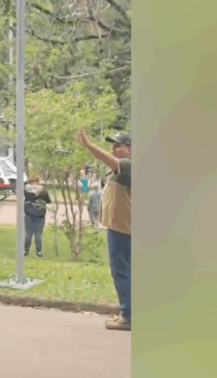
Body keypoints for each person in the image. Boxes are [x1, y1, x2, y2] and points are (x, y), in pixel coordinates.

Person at [78, 128, 131, 331]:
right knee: (127, 271)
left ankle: (127, 316)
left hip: (122, 229)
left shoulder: (127, 165)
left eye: (119, 145)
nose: (114, 148)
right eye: (113, 145)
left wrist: (90, 146)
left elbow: (113, 162)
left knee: (122, 272)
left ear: (130, 149)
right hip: (124, 227)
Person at [23, 175, 51, 257]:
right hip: (40, 214)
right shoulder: (43, 190)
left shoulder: (26, 189)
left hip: (28, 213)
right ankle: (39, 251)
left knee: (28, 233)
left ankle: (26, 250)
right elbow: (48, 201)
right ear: (38, 181)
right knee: (38, 233)